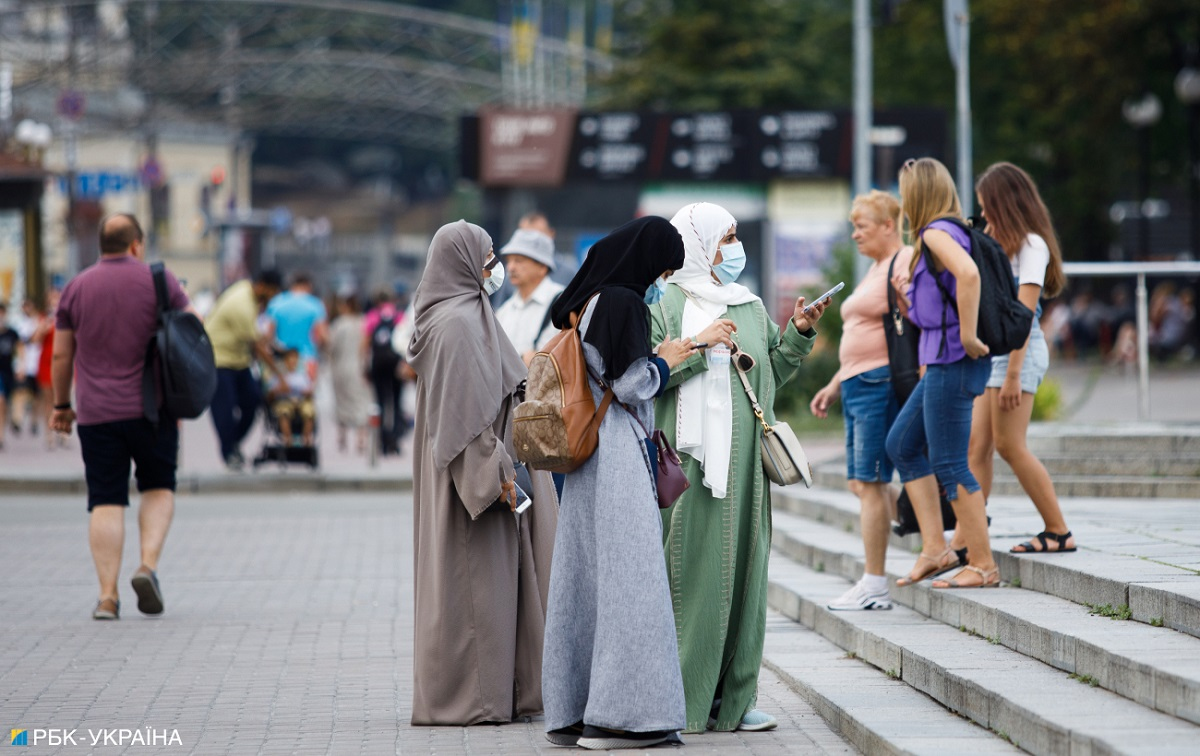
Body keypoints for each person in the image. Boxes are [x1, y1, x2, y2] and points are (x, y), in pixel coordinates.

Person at [648, 203, 824, 734]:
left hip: (747, 467)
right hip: (693, 464)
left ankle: (735, 700)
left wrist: (797, 332)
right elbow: (654, 371)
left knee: (747, 572)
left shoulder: (748, 305)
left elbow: (773, 372)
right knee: (692, 576)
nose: (733, 249)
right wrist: (703, 348)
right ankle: (679, 702)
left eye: (734, 237)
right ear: (698, 244)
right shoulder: (668, 301)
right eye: (725, 239)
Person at [542, 216, 699, 750]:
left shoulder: (584, 300)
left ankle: (574, 709)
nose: (659, 279)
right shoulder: (623, 301)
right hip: (615, 455)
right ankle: (622, 719)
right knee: (633, 585)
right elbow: (631, 383)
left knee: (587, 584)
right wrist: (667, 359)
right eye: (661, 269)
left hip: (586, 462)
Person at [407, 219, 559, 726]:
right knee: (476, 586)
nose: (495, 267)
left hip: (489, 469)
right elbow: (468, 421)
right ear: (465, 261)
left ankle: (501, 692)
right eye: (488, 256)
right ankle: (475, 698)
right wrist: (496, 479)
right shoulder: (458, 325)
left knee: (491, 585)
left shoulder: (464, 314)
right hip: (476, 482)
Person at [49, 214, 192, 620]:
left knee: (106, 500)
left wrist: (62, 406)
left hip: (96, 415)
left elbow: (61, 354)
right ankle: (146, 566)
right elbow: (192, 330)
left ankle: (107, 597)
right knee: (158, 485)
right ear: (136, 245)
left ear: (101, 245)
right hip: (153, 410)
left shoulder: (76, 287)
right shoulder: (160, 281)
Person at [885, 157, 996, 590]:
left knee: (950, 462)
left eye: (904, 191)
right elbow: (941, 304)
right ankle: (936, 548)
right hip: (941, 361)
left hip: (954, 360)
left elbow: (968, 275)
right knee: (902, 444)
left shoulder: (935, 232)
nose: (901, 200)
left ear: (919, 194)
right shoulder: (941, 235)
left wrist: (968, 336)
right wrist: (907, 302)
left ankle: (983, 564)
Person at [811, 191, 912, 611]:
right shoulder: (874, 269)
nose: (855, 235)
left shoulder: (903, 261)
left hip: (878, 382)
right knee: (859, 482)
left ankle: (874, 585)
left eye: (862, 227)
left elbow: (912, 320)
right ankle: (923, 519)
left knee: (870, 481)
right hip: (856, 382)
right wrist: (835, 383)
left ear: (889, 225)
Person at [968, 162, 1073, 554]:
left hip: (1018, 353)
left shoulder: (1032, 245)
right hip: (994, 352)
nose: (983, 213)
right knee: (976, 447)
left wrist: (1013, 374)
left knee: (1010, 445)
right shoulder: (1000, 245)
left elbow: (1022, 317)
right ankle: (968, 536)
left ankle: (1058, 530)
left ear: (1004, 203)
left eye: (986, 205)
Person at [205, 268, 285, 470]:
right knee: (225, 408)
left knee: (253, 399)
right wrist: (279, 375)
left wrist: (276, 347)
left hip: (239, 361)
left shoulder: (247, 293)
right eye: (273, 293)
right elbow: (257, 346)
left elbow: (257, 337)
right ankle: (229, 451)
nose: (273, 298)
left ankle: (232, 444)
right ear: (264, 286)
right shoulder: (241, 304)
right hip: (219, 361)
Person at [493, 228, 564, 363]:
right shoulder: (505, 309)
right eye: (509, 260)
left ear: (542, 267)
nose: (511, 267)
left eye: (518, 260)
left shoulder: (562, 303)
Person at [328, 295, 372, 453]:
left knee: (341, 401)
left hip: (341, 367)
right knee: (361, 401)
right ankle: (361, 439)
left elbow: (331, 347)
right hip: (359, 367)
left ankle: (342, 437)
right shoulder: (364, 322)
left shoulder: (339, 324)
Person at [362, 290, 404, 455]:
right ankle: (394, 438)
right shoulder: (399, 315)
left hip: (378, 365)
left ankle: (382, 440)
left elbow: (365, 343)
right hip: (395, 364)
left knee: (380, 402)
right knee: (396, 403)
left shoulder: (372, 316)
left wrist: (364, 366)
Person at [265, 272, 327, 375]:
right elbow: (322, 336)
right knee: (305, 390)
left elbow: (268, 335)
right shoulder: (315, 305)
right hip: (307, 359)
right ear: (308, 286)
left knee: (281, 389)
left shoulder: (276, 303)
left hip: (281, 359)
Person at [266, 347, 316, 446]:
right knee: (284, 411)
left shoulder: (302, 376)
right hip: (285, 401)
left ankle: (307, 442)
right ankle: (288, 441)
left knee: (309, 411)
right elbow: (269, 395)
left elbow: (310, 391)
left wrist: (307, 393)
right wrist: (279, 390)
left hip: (300, 401)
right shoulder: (279, 376)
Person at [0, 302, 21, 450]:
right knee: (0, 402)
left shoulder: (11, 333)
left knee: (6, 404)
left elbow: (20, 348)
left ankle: (2, 433)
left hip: (8, 372)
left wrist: (22, 366)